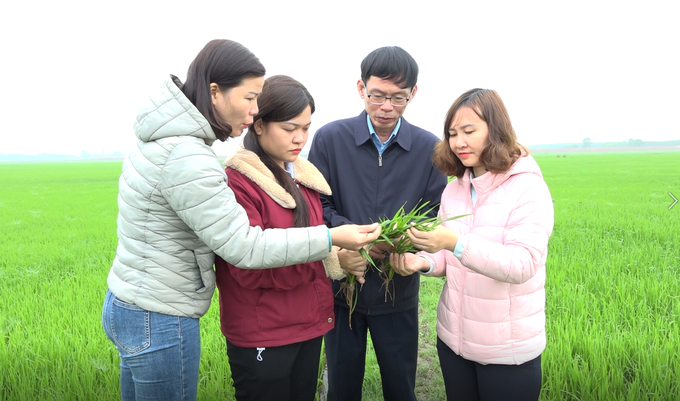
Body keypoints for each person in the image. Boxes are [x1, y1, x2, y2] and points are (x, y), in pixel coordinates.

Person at [100, 40, 380, 401]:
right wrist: (330, 241)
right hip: (161, 313)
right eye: (249, 98)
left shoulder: (167, 140)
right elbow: (243, 248)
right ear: (215, 92)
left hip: (138, 300)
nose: (253, 110)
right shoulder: (190, 156)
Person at [389, 88, 554, 401]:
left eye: (469, 131)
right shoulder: (455, 190)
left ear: (495, 130)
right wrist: (422, 261)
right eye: (452, 133)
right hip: (455, 343)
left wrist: (455, 242)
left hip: (507, 352)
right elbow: (447, 254)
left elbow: (522, 265)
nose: (458, 142)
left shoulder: (527, 188)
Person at [307, 46, 448, 401]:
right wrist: (352, 241)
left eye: (398, 98)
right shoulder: (330, 139)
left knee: (401, 387)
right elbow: (317, 204)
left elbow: (431, 214)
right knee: (341, 386)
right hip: (342, 290)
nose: (386, 107)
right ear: (360, 89)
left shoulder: (429, 149)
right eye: (378, 96)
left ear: (413, 94)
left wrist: (396, 243)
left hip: (398, 290)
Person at [214, 75, 343, 401]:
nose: (300, 138)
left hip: (308, 322)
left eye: (306, 127)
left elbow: (314, 246)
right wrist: (326, 249)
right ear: (258, 125)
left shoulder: (301, 175)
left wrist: (340, 258)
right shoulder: (239, 181)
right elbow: (248, 266)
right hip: (264, 329)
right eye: (289, 128)